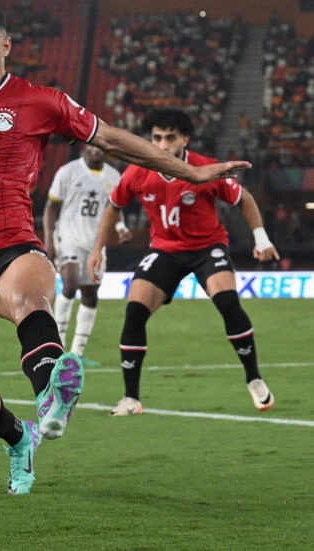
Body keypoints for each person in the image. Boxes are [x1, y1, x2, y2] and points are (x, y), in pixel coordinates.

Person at [0, 1, 250, 496]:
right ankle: (19, 438)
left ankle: (51, 399)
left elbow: (116, 140)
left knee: (30, 301)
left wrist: (188, 170)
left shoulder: (40, 102)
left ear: (5, 47)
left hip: (10, 247)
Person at [87, 109, 278, 417]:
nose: (162, 145)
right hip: (165, 251)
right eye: (157, 138)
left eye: (170, 138)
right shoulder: (137, 172)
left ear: (185, 139)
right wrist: (98, 250)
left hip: (207, 248)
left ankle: (254, 378)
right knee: (134, 312)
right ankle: (131, 398)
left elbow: (244, 198)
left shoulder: (203, 167)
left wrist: (261, 237)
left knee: (228, 304)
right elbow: (113, 207)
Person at [43, 144, 131, 363]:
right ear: (85, 147)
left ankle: (77, 353)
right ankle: (59, 348)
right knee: (70, 285)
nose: (96, 150)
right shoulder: (68, 171)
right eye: (93, 146)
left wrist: (120, 229)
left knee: (90, 295)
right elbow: (50, 207)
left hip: (95, 244)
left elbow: (115, 209)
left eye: (101, 147)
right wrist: (49, 240)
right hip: (68, 238)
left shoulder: (113, 176)